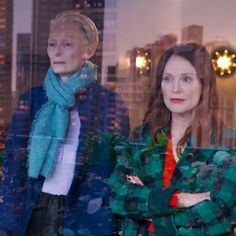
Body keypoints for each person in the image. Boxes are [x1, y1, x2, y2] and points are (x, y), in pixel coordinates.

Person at [0, 11, 129, 236]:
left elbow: (114, 167)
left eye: (67, 44)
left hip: (83, 213)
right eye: (52, 44)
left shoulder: (107, 102)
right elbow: (13, 165)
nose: (56, 52)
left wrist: (102, 216)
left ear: (88, 51)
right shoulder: (32, 100)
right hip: (33, 209)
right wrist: (8, 219)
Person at [108, 43, 236, 235]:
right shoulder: (142, 136)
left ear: (204, 85)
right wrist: (180, 199)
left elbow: (220, 214)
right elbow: (119, 196)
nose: (175, 88)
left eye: (186, 79)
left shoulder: (226, 140)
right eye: (167, 79)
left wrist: (149, 208)